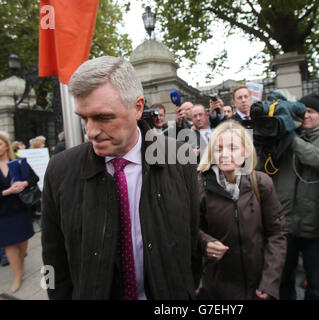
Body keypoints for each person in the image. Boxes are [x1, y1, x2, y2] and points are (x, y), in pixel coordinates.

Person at [41, 56, 200, 300]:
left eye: (103, 117)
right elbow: (54, 259)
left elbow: (191, 239)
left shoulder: (179, 157)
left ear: (137, 108)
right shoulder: (60, 170)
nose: (91, 132)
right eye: (83, 118)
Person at [197, 120, 287, 299]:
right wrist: (204, 242)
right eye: (219, 149)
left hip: (257, 287)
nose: (225, 154)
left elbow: (277, 234)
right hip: (217, 289)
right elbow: (189, 229)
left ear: (245, 151)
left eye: (233, 148)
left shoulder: (261, 183)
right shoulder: (200, 186)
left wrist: (269, 281)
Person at [276, 92, 319, 300]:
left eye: (312, 112)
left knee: (318, 290)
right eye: (302, 112)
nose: (306, 116)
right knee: (281, 285)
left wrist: (293, 140)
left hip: (318, 229)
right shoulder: (284, 140)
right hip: (284, 227)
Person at [0, 132, 38, 293]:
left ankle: (21, 263)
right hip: (1, 212)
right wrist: (7, 191)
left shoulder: (18, 162)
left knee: (23, 241)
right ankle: (17, 275)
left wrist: (24, 183)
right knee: (9, 244)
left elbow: (34, 178)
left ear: (6, 145)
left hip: (20, 209)